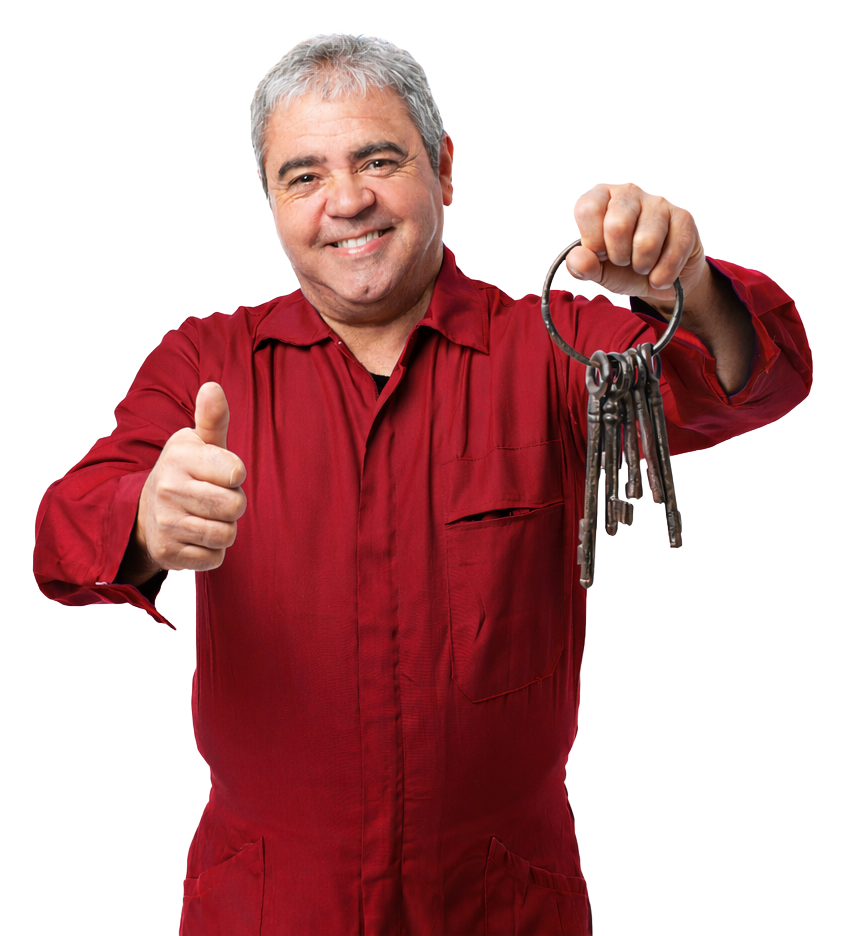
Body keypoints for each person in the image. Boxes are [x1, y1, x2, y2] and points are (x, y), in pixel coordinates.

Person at [33, 30, 811, 936]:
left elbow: (751, 379)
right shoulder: (205, 362)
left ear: (444, 170)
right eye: (304, 176)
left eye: (378, 160)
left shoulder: (549, 350)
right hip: (267, 902)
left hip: (502, 899)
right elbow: (62, 532)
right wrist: (146, 517)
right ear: (271, 203)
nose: (347, 201)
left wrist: (692, 285)